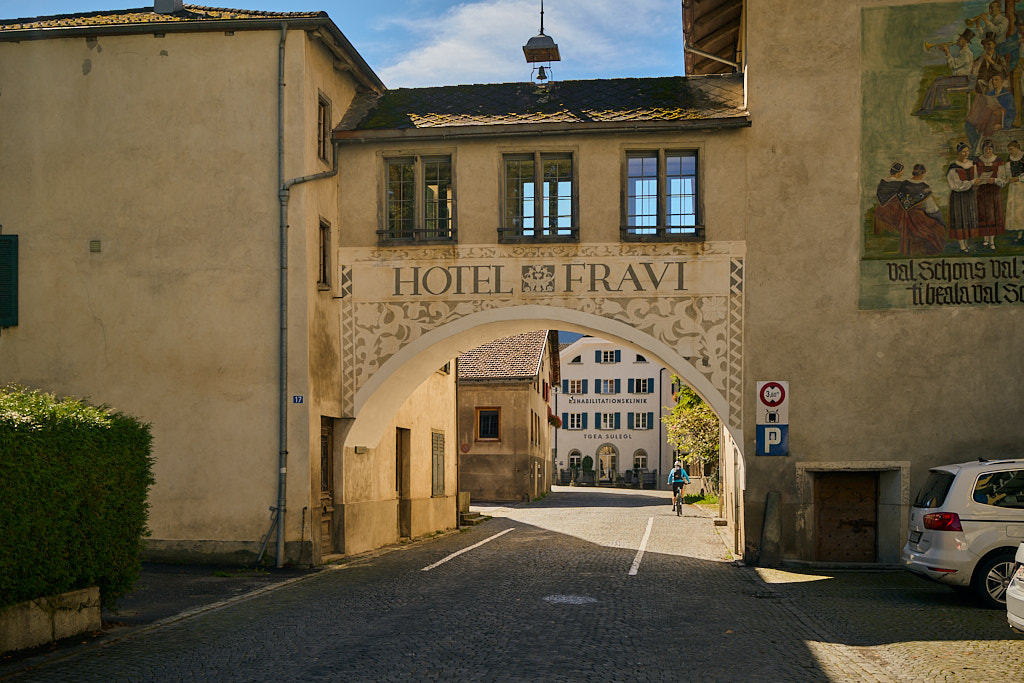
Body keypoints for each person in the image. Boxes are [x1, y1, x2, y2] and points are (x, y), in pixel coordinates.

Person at [914, 28, 975, 116]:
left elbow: (953, 66)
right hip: (960, 78)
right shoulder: (963, 52)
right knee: (938, 80)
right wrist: (946, 52)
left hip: (963, 79)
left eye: (960, 39)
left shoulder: (967, 54)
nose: (957, 40)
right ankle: (945, 103)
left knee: (936, 83)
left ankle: (926, 109)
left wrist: (947, 52)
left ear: (965, 41)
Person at [894, 164, 947, 255]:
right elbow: (931, 208)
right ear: (922, 174)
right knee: (938, 229)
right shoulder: (924, 186)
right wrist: (939, 216)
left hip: (904, 218)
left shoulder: (904, 184)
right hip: (918, 219)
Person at [947, 141, 983, 252]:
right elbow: (956, 185)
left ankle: (966, 244)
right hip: (959, 196)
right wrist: (971, 182)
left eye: (967, 151)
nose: (966, 153)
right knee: (960, 219)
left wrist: (976, 182)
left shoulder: (972, 164)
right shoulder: (953, 167)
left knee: (968, 217)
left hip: (970, 195)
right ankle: (962, 246)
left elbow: (976, 178)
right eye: (963, 151)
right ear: (958, 152)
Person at [974, 138, 1007, 249]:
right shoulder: (978, 160)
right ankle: (985, 239)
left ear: (993, 149)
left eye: (990, 149)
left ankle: (992, 240)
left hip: (993, 191)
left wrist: (995, 180)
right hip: (982, 191)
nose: (988, 151)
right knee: (983, 214)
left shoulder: (998, 160)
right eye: (985, 149)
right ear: (983, 149)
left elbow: (1003, 179)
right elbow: (974, 176)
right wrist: (978, 180)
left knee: (992, 215)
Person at [1001, 140, 1024, 241]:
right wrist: (1009, 178)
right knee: (1016, 210)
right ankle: (1019, 233)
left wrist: (1019, 178)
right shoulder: (1009, 158)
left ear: (1017, 147)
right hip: (1013, 187)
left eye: (1011, 149)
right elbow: (1007, 171)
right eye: (1009, 150)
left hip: (1022, 186)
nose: (1010, 152)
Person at [874, 162, 905, 234]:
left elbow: (878, 195)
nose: (902, 174)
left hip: (881, 208)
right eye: (901, 172)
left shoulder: (883, 182)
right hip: (893, 210)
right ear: (898, 173)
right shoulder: (900, 184)